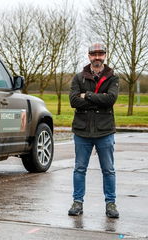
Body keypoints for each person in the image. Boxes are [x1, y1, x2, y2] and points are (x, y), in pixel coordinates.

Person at [68, 43, 119, 218]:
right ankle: (77, 202)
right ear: (89, 56)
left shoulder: (113, 78)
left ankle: (110, 204)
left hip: (104, 131)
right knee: (79, 169)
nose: (97, 57)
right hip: (82, 131)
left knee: (109, 170)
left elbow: (110, 99)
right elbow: (74, 101)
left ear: (105, 55)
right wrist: (99, 98)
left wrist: (87, 95)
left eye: (100, 54)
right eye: (93, 54)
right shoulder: (78, 77)